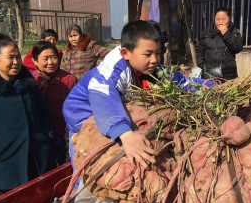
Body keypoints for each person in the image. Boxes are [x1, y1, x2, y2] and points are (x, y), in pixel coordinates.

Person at [62, 20, 213, 187]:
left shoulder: (153, 69)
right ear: (126, 53)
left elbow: (181, 82)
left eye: (157, 53)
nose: (154, 60)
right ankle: (79, 199)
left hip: (111, 117)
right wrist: (125, 135)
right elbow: (102, 95)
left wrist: (212, 86)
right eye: (147, 54)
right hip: (83, 114)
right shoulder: (113, 69)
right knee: (88, 171)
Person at [0, 38, 57, 195]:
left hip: (37, 157)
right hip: (6, 161)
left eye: (18, 57)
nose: (16, 62)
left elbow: (43, 113)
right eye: (10, 57)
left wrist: (47, 136)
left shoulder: (28, 84)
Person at [30, 41, 78, 165]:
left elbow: (77, 110)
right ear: (35, 61)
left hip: (63, 136)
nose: (50, 62)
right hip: (37, 138)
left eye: (54, 57)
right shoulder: (30, 81)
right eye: (45, 59)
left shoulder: (69, 80)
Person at [196, 6, 243, 80]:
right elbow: (199, 50)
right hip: (209, 73)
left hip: (228, 74)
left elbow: (237, 48)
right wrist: (202, 65)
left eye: (224, 19)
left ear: (229, 19)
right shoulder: (206, 32)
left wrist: (226, 34)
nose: (221, 22)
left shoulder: (234, 32)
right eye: (218, 19)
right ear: (214, 19)